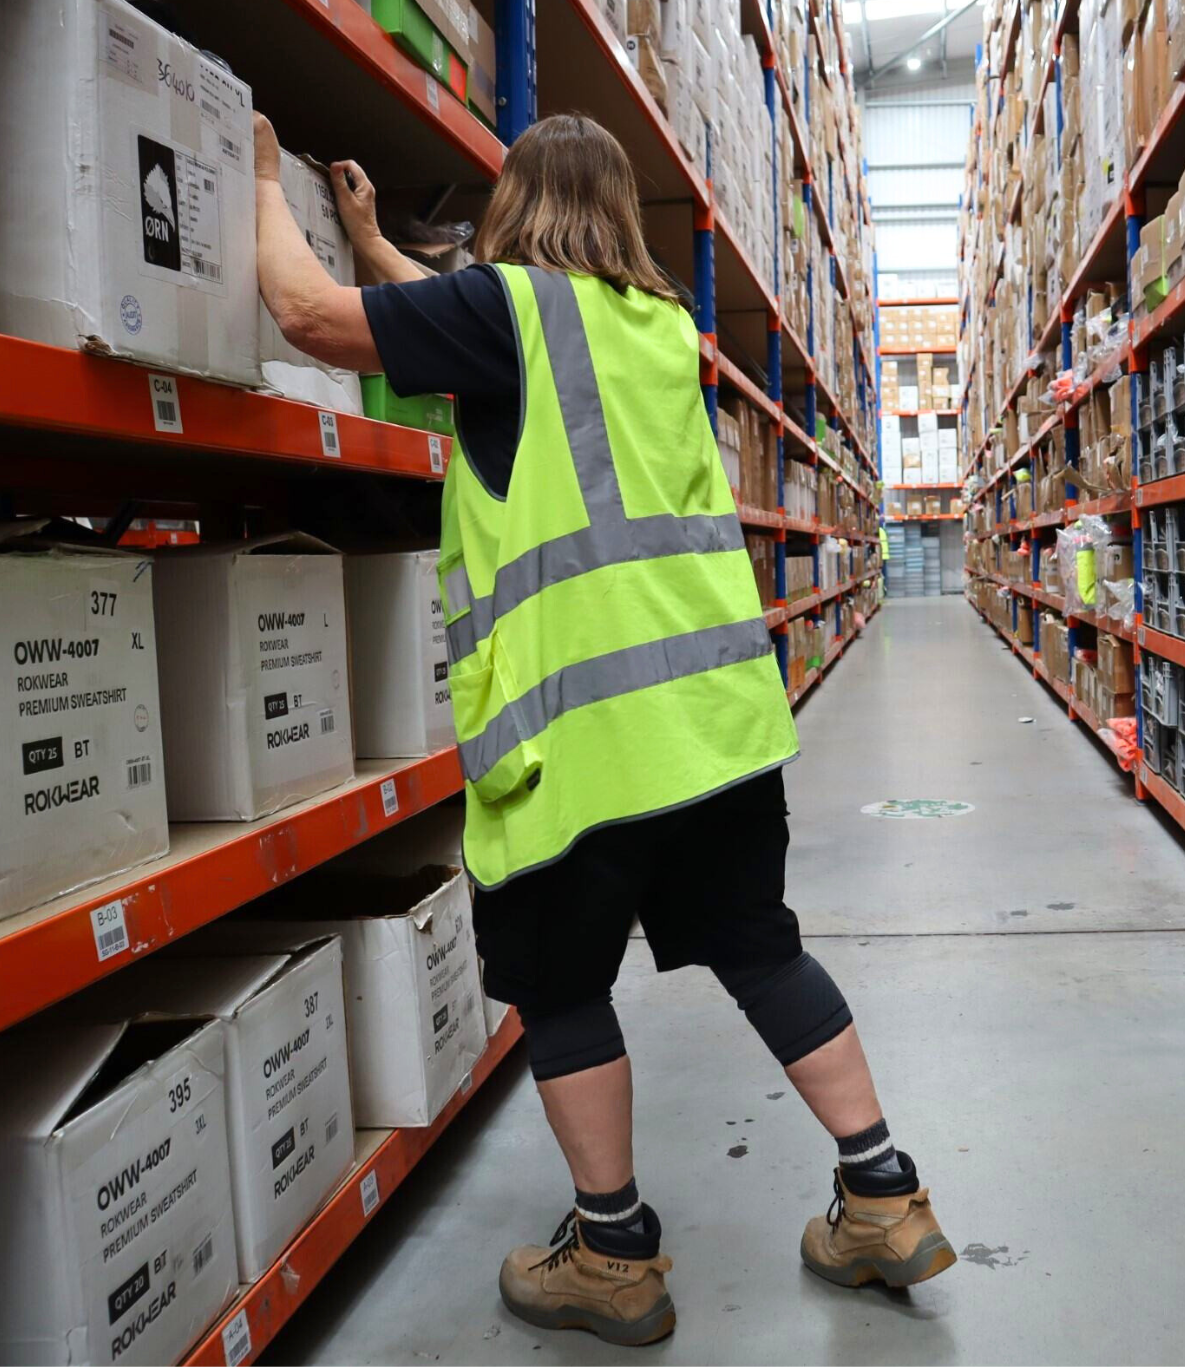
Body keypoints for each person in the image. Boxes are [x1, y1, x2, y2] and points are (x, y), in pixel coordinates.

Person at [250, 111, 953, 1346]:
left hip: (575, 748)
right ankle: (883, 1197)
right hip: (716, 732)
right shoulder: (657, 329)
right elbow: (458, 324)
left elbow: (311, 321)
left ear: (513, 207)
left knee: (562, 987)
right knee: (762, 949)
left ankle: (614, 1253)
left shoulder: (506, 308)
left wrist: (260, 185)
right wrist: (369, 238)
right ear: (623, 211)